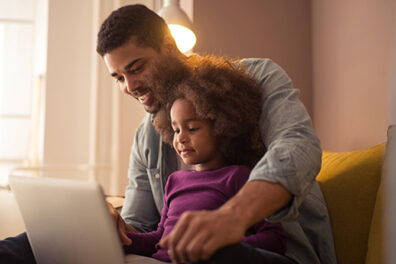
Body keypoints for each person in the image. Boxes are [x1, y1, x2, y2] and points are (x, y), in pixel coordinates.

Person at [0, 4, 336, 264]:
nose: (130, 87)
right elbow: (143, 228)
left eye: (136, 68)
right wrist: (110, 228)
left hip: (280, 255)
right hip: (176, 257)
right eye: (118, 78)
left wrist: (232, 217)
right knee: (35, 243)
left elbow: (297, 146)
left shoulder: (256, 77)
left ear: (169, 46)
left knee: (209, 253)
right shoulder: (147, 136)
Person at [124, 56, 291, 263]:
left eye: (192, 128)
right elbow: (160, 239)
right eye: (175, 130)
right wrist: (123, 238)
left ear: (222, 126)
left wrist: (219, 243)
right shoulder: (175, 181)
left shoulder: (240, 177)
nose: (181, 138)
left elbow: (275, 240)